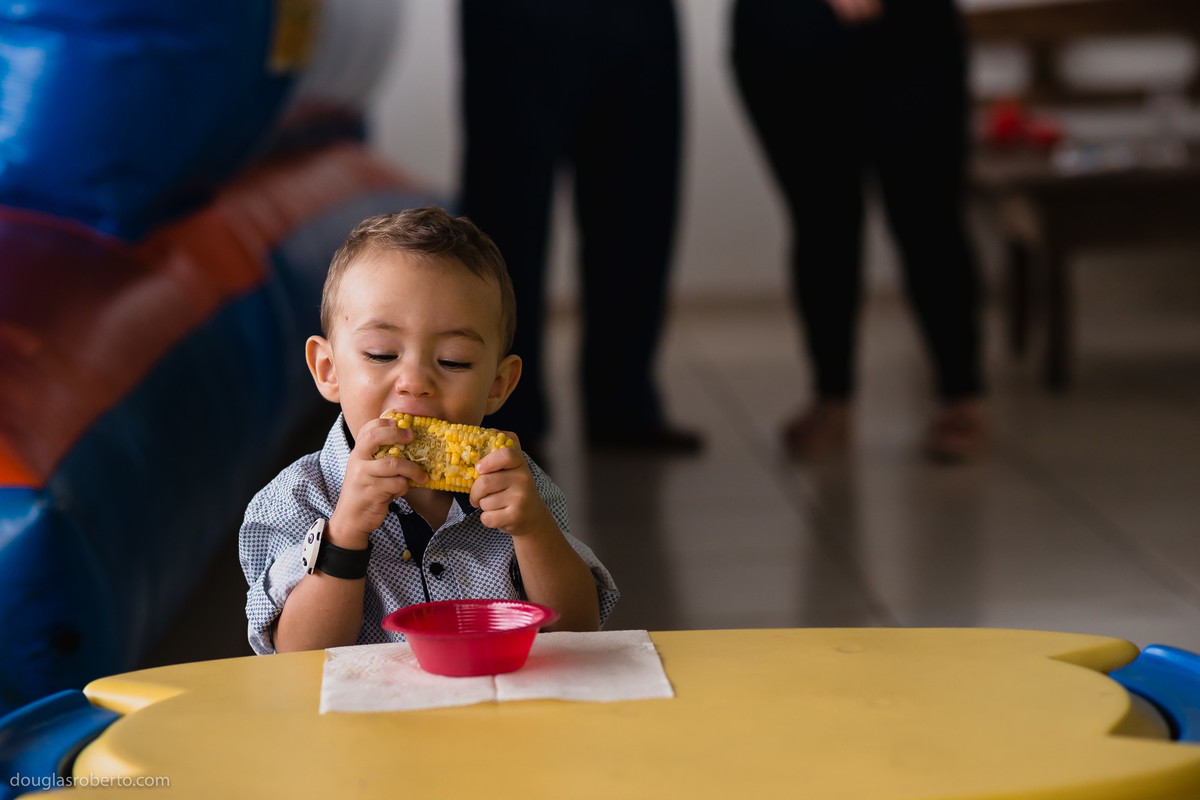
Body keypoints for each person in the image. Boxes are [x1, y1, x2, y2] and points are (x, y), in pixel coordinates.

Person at [240, 206, 618, 654]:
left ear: (498, 386)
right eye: (381, 354)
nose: (415, 382)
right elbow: (297, 658)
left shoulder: (522, 490)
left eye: (454, 360)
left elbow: (578, 633)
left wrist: (534, 531)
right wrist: (344, 535)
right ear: (328, 370)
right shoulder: (295, 500)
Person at [730, 0, 987, 462]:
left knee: (928, 217)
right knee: (820, 222)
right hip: (788, 35)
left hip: (909, 34)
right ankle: (831, 396)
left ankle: (960, 394)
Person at [459, 0, 702, 458]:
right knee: (507, 222)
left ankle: (624, 404)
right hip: (517, 18)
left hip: (637, 18)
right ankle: (504, 414)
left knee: (639, 211)